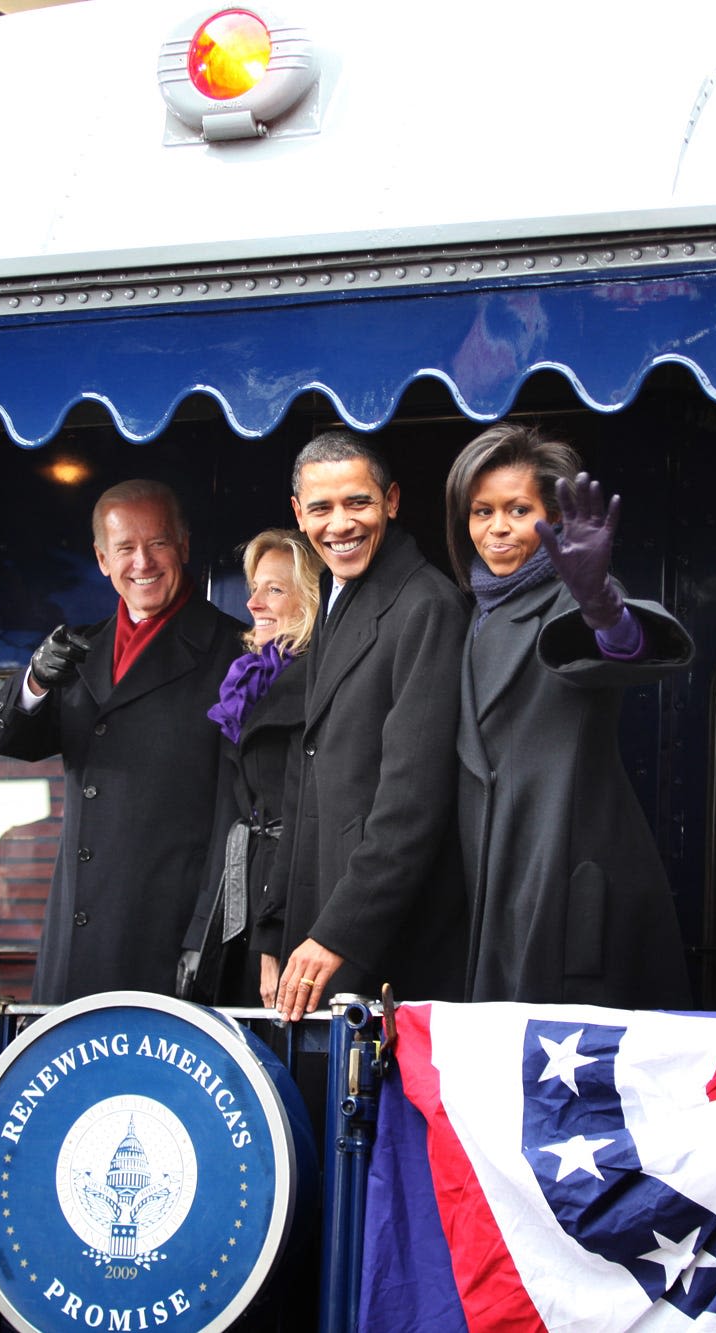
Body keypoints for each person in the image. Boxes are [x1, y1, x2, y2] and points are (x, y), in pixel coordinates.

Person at [446, 425, 694, 1006]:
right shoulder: (470, 614)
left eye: (517, 509)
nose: (497, 528)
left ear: (553, 517)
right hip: (494, 880)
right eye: (482, 512)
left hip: (566, 874)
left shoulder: (573, 596)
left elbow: (623, 649)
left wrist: (604, 608)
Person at [0, 479, 244, 1003]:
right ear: (103, 560)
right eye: (125, 548)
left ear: (185, 546)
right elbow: (8, 738)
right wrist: (35, 678)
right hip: (74, 944)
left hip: (166, 946)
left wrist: (204, 937)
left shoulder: (234, 653)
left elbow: (234, 817)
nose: (142, 563)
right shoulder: (79, 649)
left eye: (158, 544)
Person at [273, 432, 467, 1021]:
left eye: (357, 503)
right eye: (321, 508)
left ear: (392, 501)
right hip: (319, 921)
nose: (340, 525)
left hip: (379, 938)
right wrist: (272, 930)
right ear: (298, 514)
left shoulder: (427, 605)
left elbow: (413, 801)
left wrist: (339, 933)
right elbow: (304, 773)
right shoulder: (341, 595)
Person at [178, 530, 325, 1008]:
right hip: (242, 895)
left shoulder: (317, 684)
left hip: (289, 906)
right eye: (255, 587)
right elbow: (233, 812)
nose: (254, 602)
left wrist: (272, 940)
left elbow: (300, 818)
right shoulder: (250, 678)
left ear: (312, 600)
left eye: (275, 590)